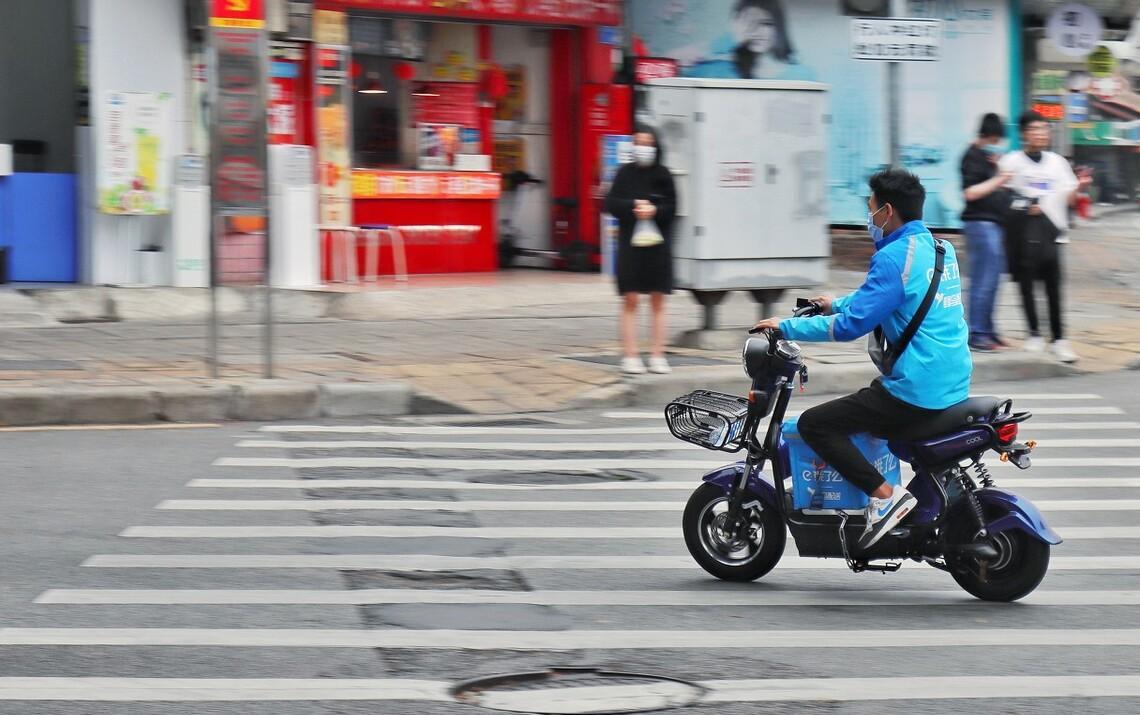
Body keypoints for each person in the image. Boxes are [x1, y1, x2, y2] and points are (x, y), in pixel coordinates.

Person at [753, 169, 972, 549]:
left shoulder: (891, 257)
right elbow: (884, 297)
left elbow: (853, 325)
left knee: (815, 424)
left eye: (870, 209)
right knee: (863, 409)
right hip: (952, 381)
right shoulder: (940, 250)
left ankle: (885, 496)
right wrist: (831, 303)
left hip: (914, 390)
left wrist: (785, 328)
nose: (868, 218)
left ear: (887, 212)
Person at [999, 111, 1090, 364]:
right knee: (1026, 287)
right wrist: (1022, 206)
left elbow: (1069, 197)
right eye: (1035, 129)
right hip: (1022, 237)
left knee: (1053, 289)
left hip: (1052, 234)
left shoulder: (1057, 162)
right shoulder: (1011, 162)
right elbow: (1002, 195)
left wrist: (1079, 189)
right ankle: (1034, 335)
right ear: (1024, 133)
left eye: (1044, 129)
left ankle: (1060, 339)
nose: (1041, 134)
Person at [604, 127, 677, 375]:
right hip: (630, 245)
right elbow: (610, 203)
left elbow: (673, 207)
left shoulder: (664, 174)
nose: (642, 147)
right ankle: (631, 354)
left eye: (647, 143)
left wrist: (654, 210)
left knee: (658, 300)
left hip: (658, 246)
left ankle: (658, 354)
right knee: (631, 298)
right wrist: (633, 206)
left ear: (656, 146)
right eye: (638, 143)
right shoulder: (624, 173)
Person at [960, 113, 1013, 352]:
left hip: (994, 225)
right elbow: (970, 193)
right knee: (983, 281)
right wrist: (999, 178)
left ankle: (989, 330)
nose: (999, 142)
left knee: (993, 281)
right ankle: (977, 333)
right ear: (989, 135)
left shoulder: (986, 157)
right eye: (997, 138)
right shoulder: (971, 156)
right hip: (980, 225)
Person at [688, 0, 813, 81]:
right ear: (734, 23)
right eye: (750, 22)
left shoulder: (800, 76)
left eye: (766, 23)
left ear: (779, 27)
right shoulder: (715, 70)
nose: (757, 31)